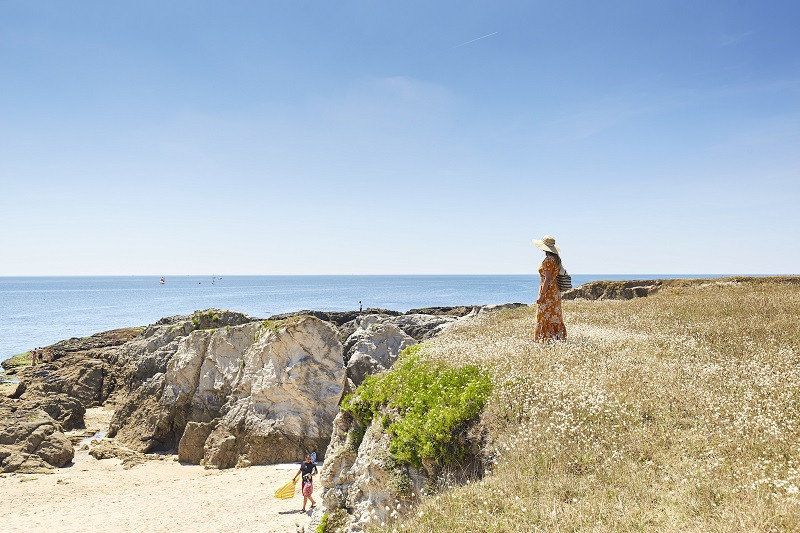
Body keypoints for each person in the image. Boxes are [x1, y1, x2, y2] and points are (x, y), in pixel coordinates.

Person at [532, 235, 567, 341]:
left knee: (545, 314)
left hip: (548, 292)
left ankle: (545, 338)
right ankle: (556, 337)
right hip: (555, 292)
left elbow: (547, 279)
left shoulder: (547, 260)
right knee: (554, 314)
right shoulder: (556, 260)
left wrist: (541, 296)